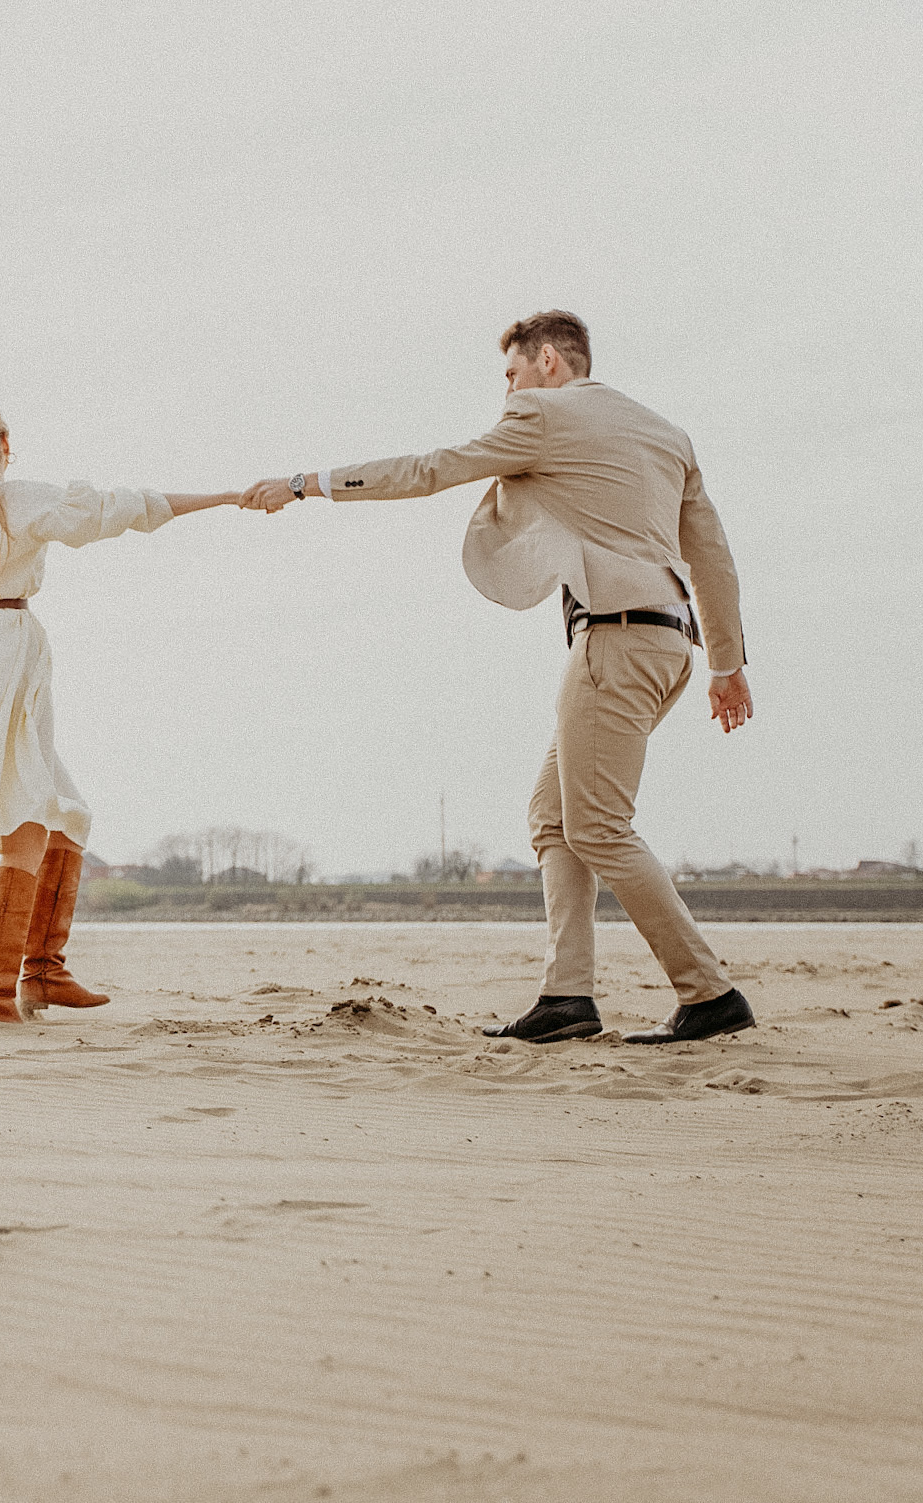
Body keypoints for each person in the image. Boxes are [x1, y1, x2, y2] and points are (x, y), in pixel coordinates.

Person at [246, 311, 757, 1045]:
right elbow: (711, 554)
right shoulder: (664, 432)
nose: (506, 392)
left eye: (510, 374)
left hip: (613, 639)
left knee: (599, 826)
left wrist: (305, 483)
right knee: (554, 820)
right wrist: (725, 664)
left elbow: (427, 469)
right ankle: (565, 996)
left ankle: (708, 992)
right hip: (668, 644)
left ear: (547, 361)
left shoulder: (540, 413)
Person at [0, 392, 263, 1029]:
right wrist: (224, 496)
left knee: (64, 812)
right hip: (0, 659)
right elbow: (119, 511)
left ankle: (44, 973)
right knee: (27, 823)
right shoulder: (18, 499)